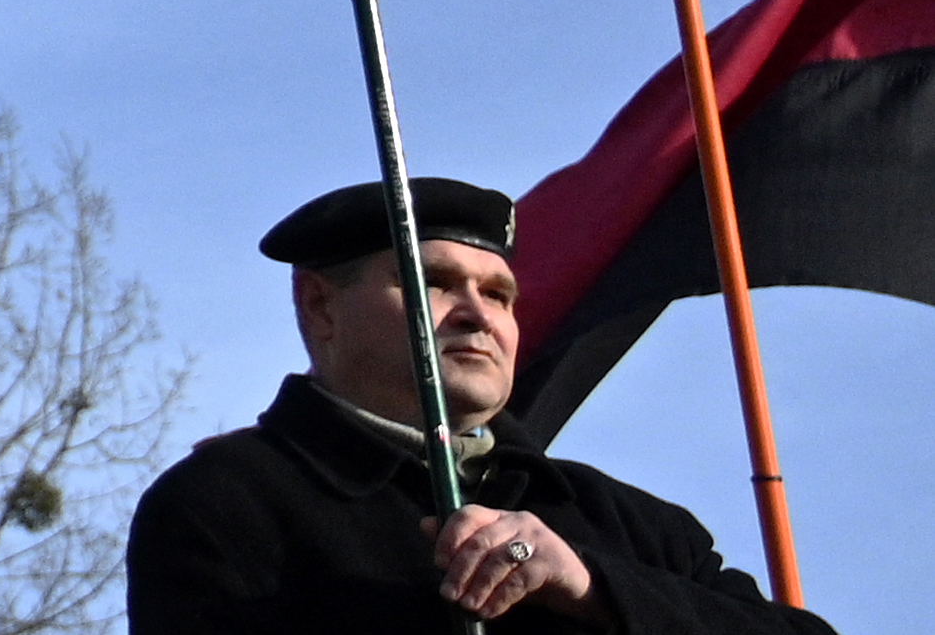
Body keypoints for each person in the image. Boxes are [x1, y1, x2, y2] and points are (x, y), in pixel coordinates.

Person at [125, 175, 825, 631]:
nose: (477, 314)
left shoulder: (626, 523)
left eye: (498, 294)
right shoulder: (226, 501)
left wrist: (591, 586)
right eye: (433, 282)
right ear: (319, 306)